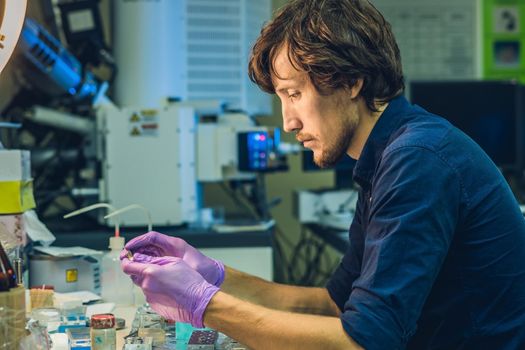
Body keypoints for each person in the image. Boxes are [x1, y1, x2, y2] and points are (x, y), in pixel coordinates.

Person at [120, 0, 525, 349]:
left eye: (295, 94)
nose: (288, 122)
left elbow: (364, 341)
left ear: (350, 81)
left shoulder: (417, 159)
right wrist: (213, 276)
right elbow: (334, 304)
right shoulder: (386, 156)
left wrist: (204, 304)